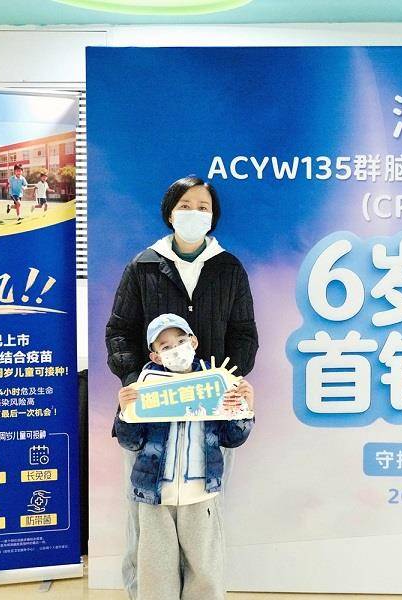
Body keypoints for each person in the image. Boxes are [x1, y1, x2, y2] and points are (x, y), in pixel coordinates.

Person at [106, 175, 258, 600]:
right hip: (151, 418)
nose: (194, 213)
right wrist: (140, 388)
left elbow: (245, 333)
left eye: (203, 207)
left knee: (203, 522)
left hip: (209, 417)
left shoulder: (228, 268)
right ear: (170, 213)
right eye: (185, 206)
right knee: (146, 523)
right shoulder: (143, 266)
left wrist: (227, 383)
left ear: (213, 217)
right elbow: (119, 331)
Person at [114, 313, 254, 600]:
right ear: (155, 356)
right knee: (155, 574)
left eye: (180, 341)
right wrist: (125, 413)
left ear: (194, 341)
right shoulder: (145, 388)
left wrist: (245, 409)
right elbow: (131, 442)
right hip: (154, 496)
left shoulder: (217, 383)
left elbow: (232, 438)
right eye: (165, 346)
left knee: (205, 571)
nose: (175, 349)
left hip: (201, 493)